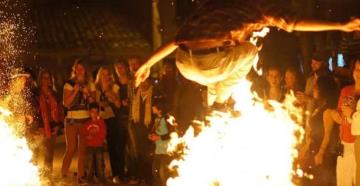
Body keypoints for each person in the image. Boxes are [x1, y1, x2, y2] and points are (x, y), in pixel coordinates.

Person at [135, 0, 360, 108]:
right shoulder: (258, 7)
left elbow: (174, 41)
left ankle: (215, 93)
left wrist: (147, 63)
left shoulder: (208, 8)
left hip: (184, 63)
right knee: (252, 51)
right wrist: (340, 25)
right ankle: (219, 103)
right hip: (212, 65)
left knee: (238, 52)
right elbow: (295, 23)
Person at [318, 57, 360, 186]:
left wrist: (351, 115)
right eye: (357, 68)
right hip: (344, 144)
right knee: (343, 185)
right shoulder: (346, 90)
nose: (359, 72)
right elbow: (342, 116)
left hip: (357, 145)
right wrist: (334, 115)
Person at [298, 75, 341, 186]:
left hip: (322, 153)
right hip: (313, 150)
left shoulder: (328, 110)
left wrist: (321, 153)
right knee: (316, 185)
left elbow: (327, 134)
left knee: (325, 184)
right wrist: (304, 149)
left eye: (317, 87)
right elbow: (311, 132)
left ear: (323, 90)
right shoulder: (319, 107)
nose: (314, 89)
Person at [62, 59, 95, 184]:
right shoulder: (69, 84)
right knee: (71, 148)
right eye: (77, 68)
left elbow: (94, 104)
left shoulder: (90, 84)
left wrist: (88, 94)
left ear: (86, 69)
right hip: (71, 120)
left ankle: (81, 176)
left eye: (82, 68)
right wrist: (75, 90)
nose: (79, 70)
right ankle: (63, 175)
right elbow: (66, 103)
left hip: (85, 120)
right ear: (74, 69)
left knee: (83, 150)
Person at [95, 66, 124, 184]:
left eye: (108, 74)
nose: (106, 77)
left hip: (112, 119)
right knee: (97, 146)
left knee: (113, 147)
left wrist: (109, 92)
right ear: (99, 75)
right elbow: (95, 103)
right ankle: (99, 173)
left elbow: (118, 104)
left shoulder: (115, 87)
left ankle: (117, 173)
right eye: (103, 74)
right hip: (99, 119)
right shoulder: (96, 87)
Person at [37, 69, 63, 175]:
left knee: (49, 154)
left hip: (52, 128)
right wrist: (39, 126)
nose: (46, 80)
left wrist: (58, 126)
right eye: (44, 78)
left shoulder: (55, 94)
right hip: (40, 127)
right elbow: (35, 111)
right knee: (36, 153)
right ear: (40, 79)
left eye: (48, 78)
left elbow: (60, 111)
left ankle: (47, 177)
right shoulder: (36, 93)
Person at [129, 78, 154, 186]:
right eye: (142, 82)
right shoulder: (136, 94)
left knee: (147, 153)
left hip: (149, 127)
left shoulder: (154, 95)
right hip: (137, 126)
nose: (144, 85)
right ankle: (139, 176)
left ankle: (147, 177)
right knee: (137, 152)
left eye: (146, 82)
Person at [149, 98, 174, 186]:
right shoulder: (156, 119)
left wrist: (159, 138)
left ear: (160, 109)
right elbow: (154, 130)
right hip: (158, 149)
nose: (152, 108)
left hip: (166, 149)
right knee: (155, 170)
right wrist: (151, 135)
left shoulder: (167, 119)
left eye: (154, 107)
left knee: (163, 172)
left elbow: (172, 133)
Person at [84, 102, 107, 186]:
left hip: (99, 146)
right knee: (89, 165)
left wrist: (96, 134)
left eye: (96, 112)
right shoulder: (87, 123)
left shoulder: (101, 122)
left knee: (100, 164)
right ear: (89, 112)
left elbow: (103, 133)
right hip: (90, 146)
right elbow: (85, 133)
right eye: (92, 112)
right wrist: (88, 136)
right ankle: (89, 181)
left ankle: (101, 181)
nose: (94, 114)